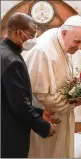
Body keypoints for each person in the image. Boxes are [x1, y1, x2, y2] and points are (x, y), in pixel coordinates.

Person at [22, 15, 81, 158]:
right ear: (64, 33)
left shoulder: (64, 42)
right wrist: (75, 101)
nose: (79, 48)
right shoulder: (43, 50)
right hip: (46, 118)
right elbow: (42, 96)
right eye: (77, 42)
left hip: (63, 115)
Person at [1, 12, 56, 158]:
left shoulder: (4, 51)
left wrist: (39, 112)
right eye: (31, 35)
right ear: (19, 32)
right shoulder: (13, 61)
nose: (33, 40)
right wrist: (43, 126)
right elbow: (19, 105)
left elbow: (8, 97)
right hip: (10, 131)